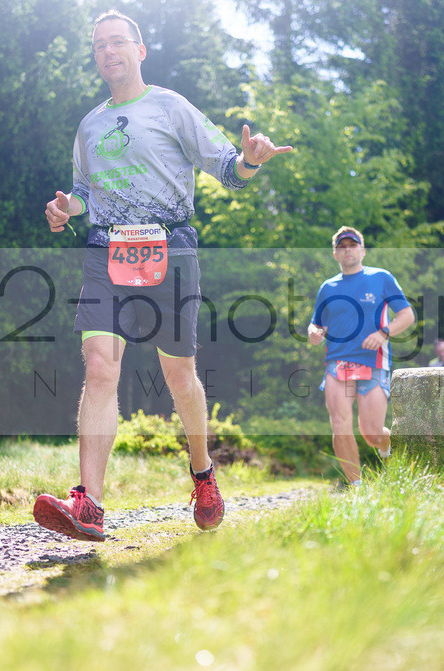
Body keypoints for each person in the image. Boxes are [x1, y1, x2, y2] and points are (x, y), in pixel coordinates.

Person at [34, 10, 292, 540]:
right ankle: (89, 505)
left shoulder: (170, 107)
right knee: (101, 367)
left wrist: (250, 162)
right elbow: (84, 194)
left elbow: (227, 169)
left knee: (179, 375)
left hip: (168, 249)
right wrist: (67, 210)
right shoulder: (89, 125)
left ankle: (202, 473)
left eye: (118, 42)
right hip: (106, 252)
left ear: (140, 48)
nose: (109, 52)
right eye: (99, 45)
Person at [308, 227, 416, 487]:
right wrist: (313, 332)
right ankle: (358, 489)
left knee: (371, 432)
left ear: (362, 250)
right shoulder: (328, 287)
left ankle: (387, 447)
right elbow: (316, 324)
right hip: (338, 363)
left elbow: (407, 316)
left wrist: (384, 333)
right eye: (342, 246)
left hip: (373, 362)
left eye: (353, 245)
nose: (348, 250)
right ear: (335, 253)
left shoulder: (381, 278)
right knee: (339, 423)